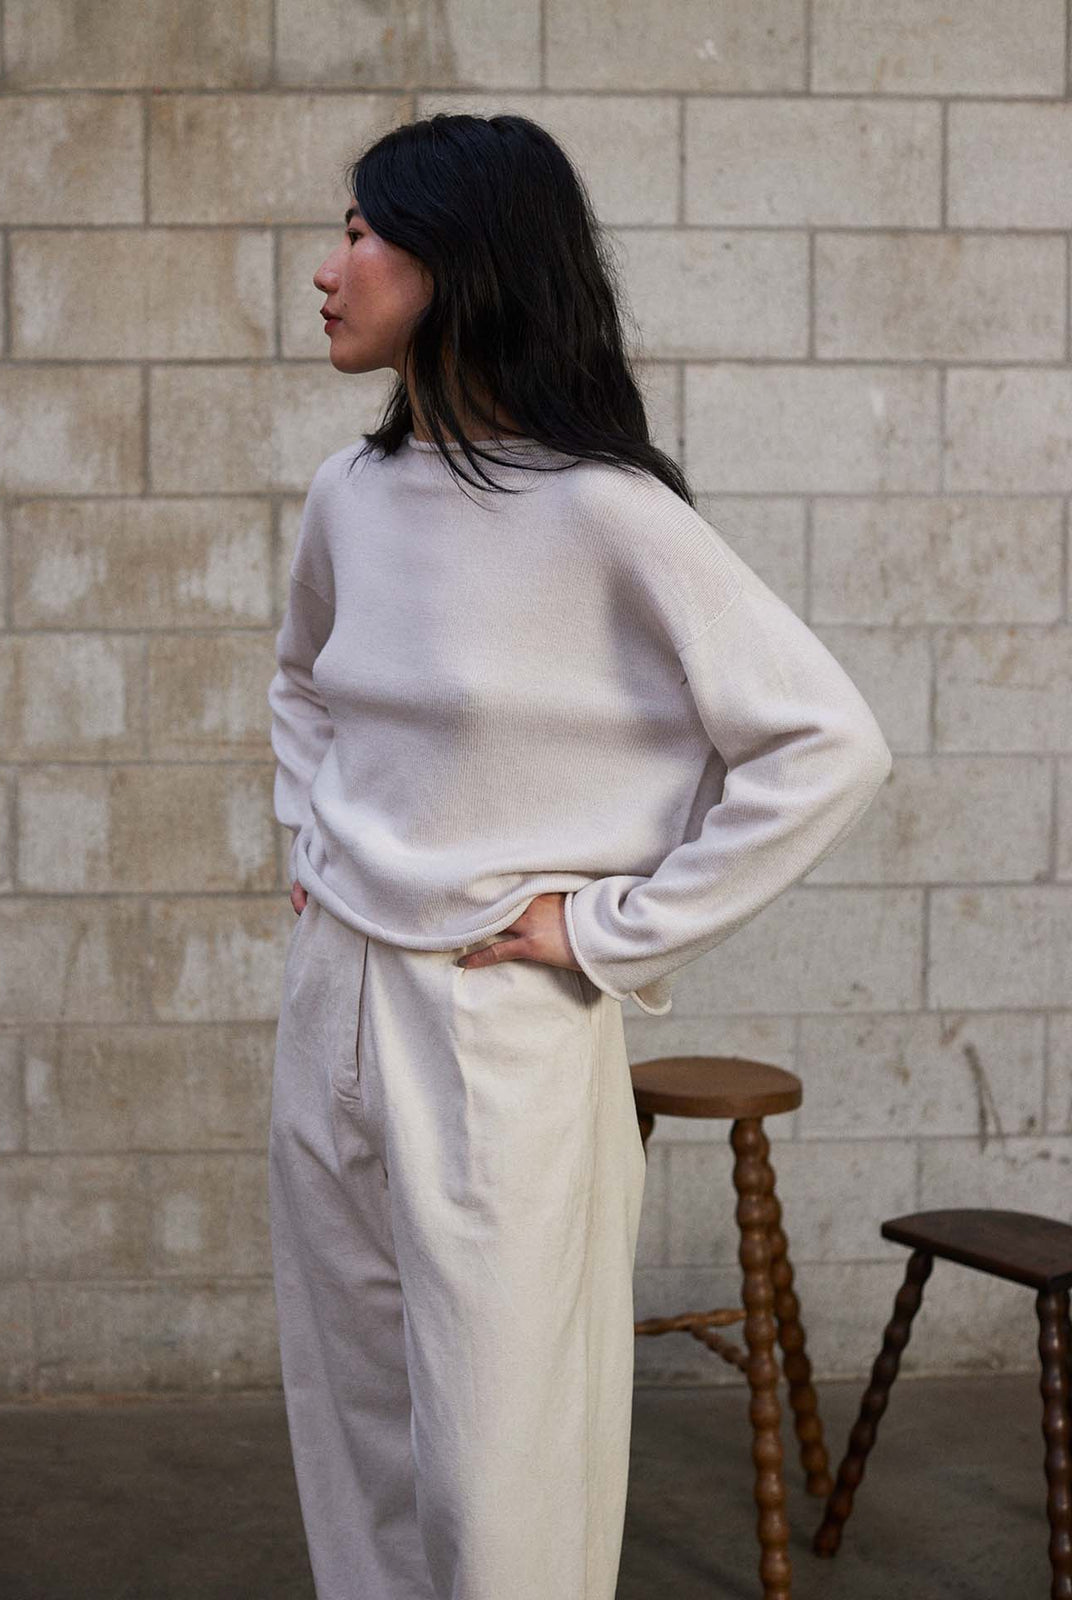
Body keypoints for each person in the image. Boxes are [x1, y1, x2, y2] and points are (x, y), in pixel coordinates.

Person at [266, 112, 893, 1600]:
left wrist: (610, 931)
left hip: (497, 1028)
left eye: (362, 233)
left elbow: (828, 745)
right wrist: (310, 841)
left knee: (502, 1451)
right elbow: (301, 682)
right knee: (354, 1416)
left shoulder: (608, 513)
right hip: (331, 997)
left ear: (459, 263)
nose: (327, 268)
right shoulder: (349, 498)